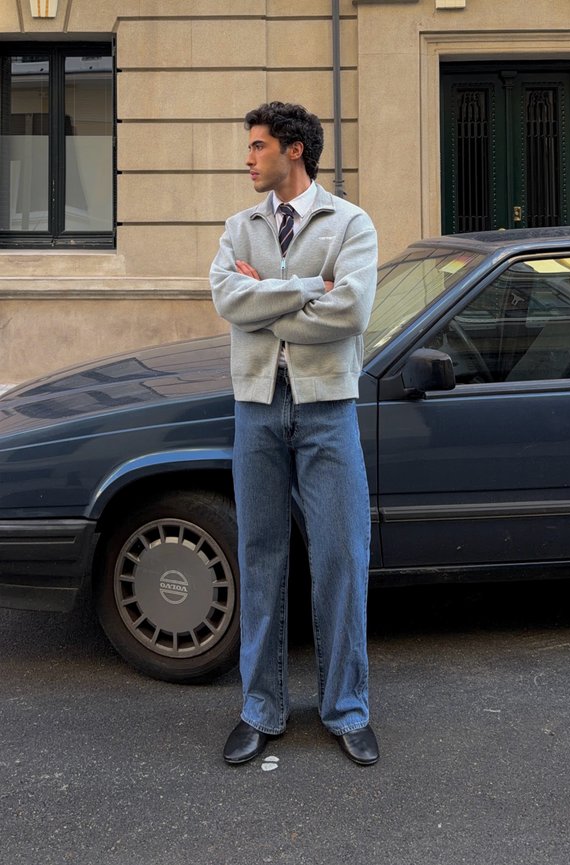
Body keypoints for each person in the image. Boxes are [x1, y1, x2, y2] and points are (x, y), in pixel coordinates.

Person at [210, 101, 379, 766]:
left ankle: (348, 709)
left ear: (294, 150)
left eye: (258, 146)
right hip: (255, 407)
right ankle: (261, 708)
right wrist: (309, 286)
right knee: (260, 557)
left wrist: (265, 303)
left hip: (328, 407)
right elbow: (226, 298)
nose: (248, 158)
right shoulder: (239, 227)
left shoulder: (351, 223)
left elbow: (352, 310)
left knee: (342, 556)